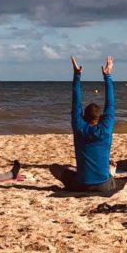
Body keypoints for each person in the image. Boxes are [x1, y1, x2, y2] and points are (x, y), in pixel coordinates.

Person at [50, 55, 118, 192]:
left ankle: (108, 171)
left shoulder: (79, 126)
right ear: (101, 117)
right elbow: (110, 104)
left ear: (83, 116)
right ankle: (110, 172)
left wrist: (77, 76)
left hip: (80, 184)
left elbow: (76, 103)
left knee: (54, 167)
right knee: (110, 172)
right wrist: (107, 76)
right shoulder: (105, 128)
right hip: (103, 185)